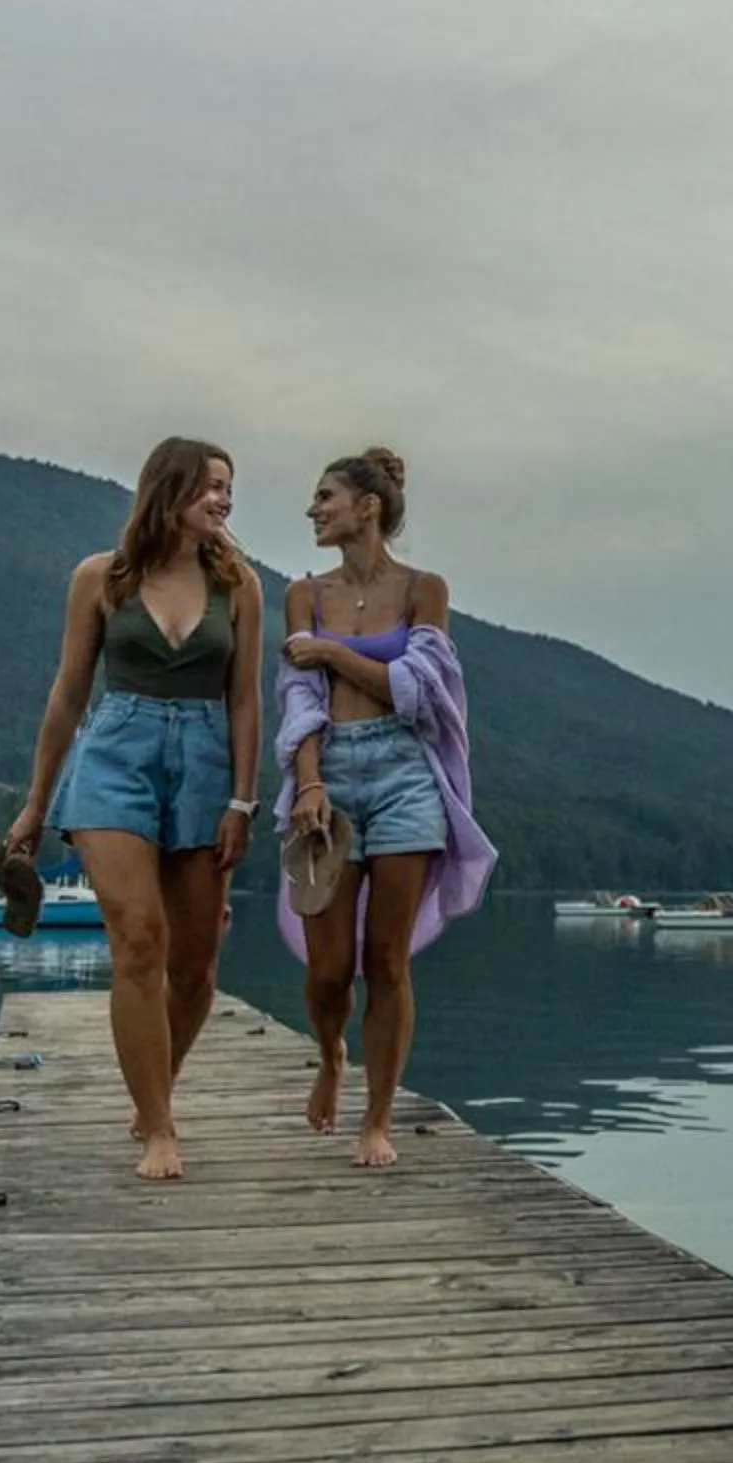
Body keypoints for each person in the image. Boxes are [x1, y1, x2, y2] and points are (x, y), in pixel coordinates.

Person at [0, 437, 262, 1181]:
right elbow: (68, 695)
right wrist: (35, 803)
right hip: (115, 755)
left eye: (230, 489)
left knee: (197, 969)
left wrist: (243, 798)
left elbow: (244, 700)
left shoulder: (239, 584)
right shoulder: (100, 578)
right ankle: (160, 1128)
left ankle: (154, 1092)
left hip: (207, 763)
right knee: (139, 939)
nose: (225, 500)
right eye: (212, 485)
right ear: (168, 488)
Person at [274, 446, 495, 1167]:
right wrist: (308, 783)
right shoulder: (302, 594)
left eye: (325, 495)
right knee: (329, 966)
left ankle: (377, 1120)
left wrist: (333, 655)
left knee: (388, 960)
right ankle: (333, 1053)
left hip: (406, 774)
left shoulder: (423, 590)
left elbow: (421, 690)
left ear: (366, 507)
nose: (313, 509)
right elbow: (297, 699)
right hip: (330, 770)